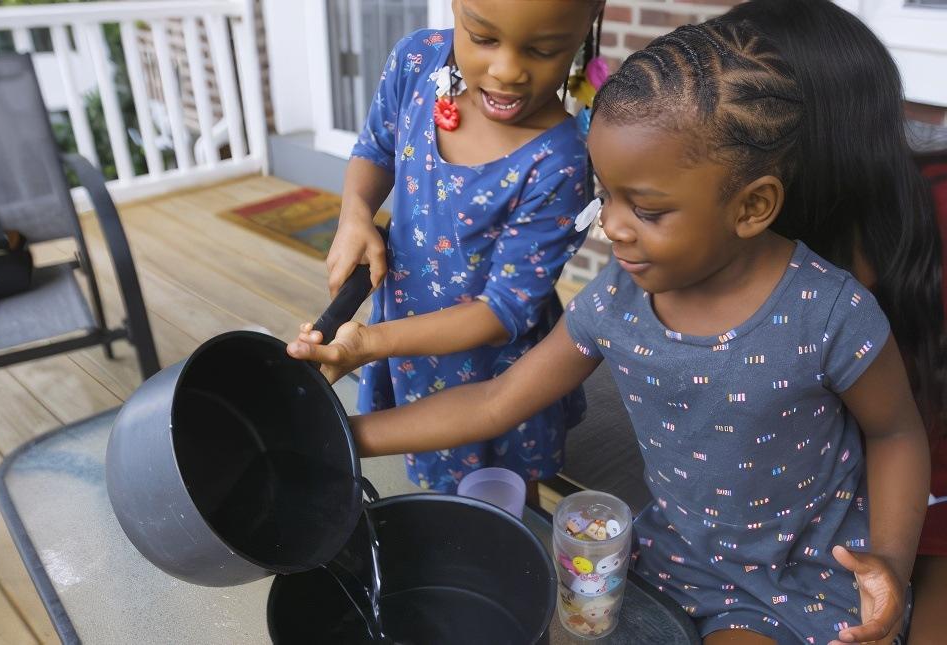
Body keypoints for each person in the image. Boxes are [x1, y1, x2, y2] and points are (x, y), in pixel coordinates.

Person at [308, 7, 931, 644]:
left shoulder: (829, 314)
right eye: (606, 195)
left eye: (649, 209)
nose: (613, 227)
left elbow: (897, 434)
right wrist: (336, 438)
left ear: (753, 206)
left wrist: (890, 561)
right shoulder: (617, 301)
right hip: (674, 559)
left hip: (806, 574)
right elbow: (497, 401)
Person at [288, 0, 606, 495]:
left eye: (543, 50)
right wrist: (355, 214)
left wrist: (371, 344)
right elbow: (376, 148)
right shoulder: (416, 61)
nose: (506, 70)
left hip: (491, 366)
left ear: (589, 20)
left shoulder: (560, 162)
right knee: (430, 461)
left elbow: (502, 311)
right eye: (482, 37)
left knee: (492, 487)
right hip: (405, 332)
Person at [714, 3, 947, 642]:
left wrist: (900, 565)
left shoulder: (935, 218)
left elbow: (910, 444)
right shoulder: (744, 240)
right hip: (805, 517)